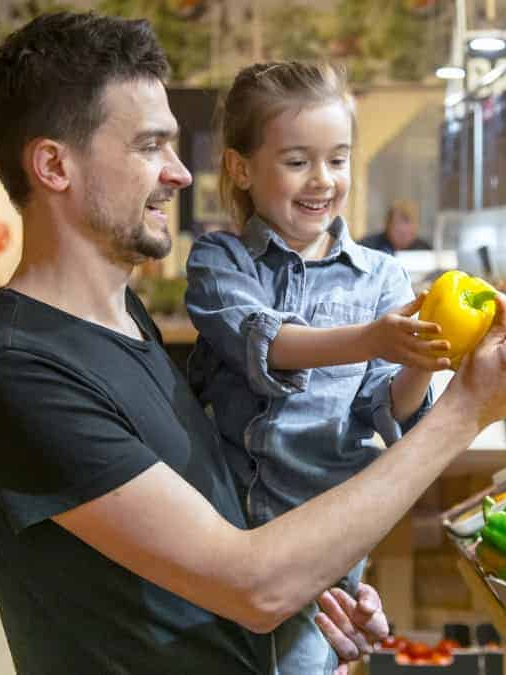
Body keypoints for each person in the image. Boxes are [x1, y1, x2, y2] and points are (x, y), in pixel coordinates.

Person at [0, 12, 506, 675]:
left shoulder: (124, 324)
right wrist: (465, 411)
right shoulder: (16, 369)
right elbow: (253, 585)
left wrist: (315, 593)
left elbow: (223, 549)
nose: (179, 173)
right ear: (54, 165)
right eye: (150, 146)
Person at [184, 61, 449, 674]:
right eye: (298, 161)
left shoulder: (380, 276)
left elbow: (388, 409)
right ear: (241, 168)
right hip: (223, 532)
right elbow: (265, 341)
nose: (323, 180)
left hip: (327, 540)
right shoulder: (220, 261)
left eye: (338, 159)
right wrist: (374, 338)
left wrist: (419, 357)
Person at [358, 200, 432, 255]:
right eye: (397, 227)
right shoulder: (367, 247)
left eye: (408, 231)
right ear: (388, 225)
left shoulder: (425, 251)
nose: (403, 231)